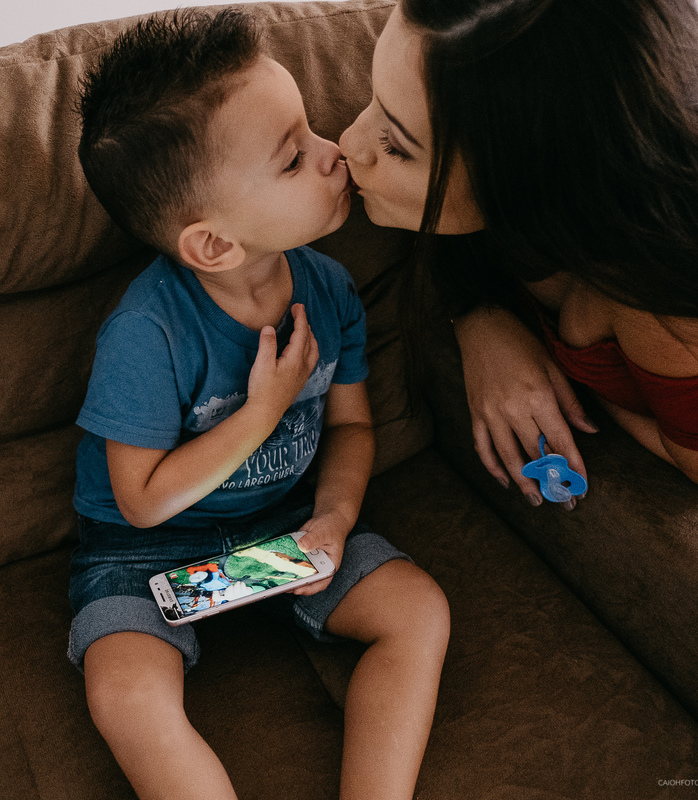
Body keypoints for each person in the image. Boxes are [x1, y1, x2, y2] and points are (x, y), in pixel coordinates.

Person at [71, 9, 449, 799]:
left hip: (284, 528)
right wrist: (261, 412)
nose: (335, 151)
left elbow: (350, 426)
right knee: (123, 690)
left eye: (313, 129)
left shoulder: (328, 287)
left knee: (418, 611)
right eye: (293, 158)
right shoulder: (147, 333)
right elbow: (140, 502)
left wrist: (335, 521)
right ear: (213, 244)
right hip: (144, 557)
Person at [339, 0, 698, 501]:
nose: (348, 141)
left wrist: (574, 365)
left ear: (538, 178)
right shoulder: (488, 72)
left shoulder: (667, 305)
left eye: (395, 145)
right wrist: (481, 318)